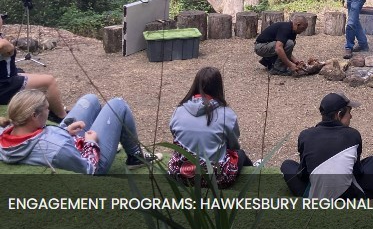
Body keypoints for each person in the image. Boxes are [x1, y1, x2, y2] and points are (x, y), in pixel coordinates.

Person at [0, 89, 162, 174]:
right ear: (34, 115)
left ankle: (109, 141)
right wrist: (91, 143)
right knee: (118, 105)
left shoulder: (7, 134)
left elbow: (41, 137)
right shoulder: (57, 148)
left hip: (65, 141)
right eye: (47, 109)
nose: (49, 112)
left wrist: (64, 131)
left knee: (89, 100)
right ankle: (136, 157)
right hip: (93, 163)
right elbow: (89, 168)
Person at [280, 92, 373, 198]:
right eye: (349, 112)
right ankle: (368, 195)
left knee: (287, 165)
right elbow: (357, 172)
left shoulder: (305, 135)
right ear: (339, 114)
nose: (351, 116)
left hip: (316, 196)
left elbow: (303, 174)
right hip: (349, 196)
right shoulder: (353, 134)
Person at [168, 67, 252, 188]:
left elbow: (175, 135)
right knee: (240, 154)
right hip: (215, 178)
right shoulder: (226, 114)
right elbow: (233, 145)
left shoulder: (179, 110)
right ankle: (256, 171)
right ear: (218, 87)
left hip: (181, 174)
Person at [0, 16, 68, 123]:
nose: (2, 19)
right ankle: (62, 117)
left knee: (26, 74)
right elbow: (4, 45)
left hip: (8, 76)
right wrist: (8, 46)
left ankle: (48, 110)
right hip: (4, 85)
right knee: (49, 81)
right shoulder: (2, 43)